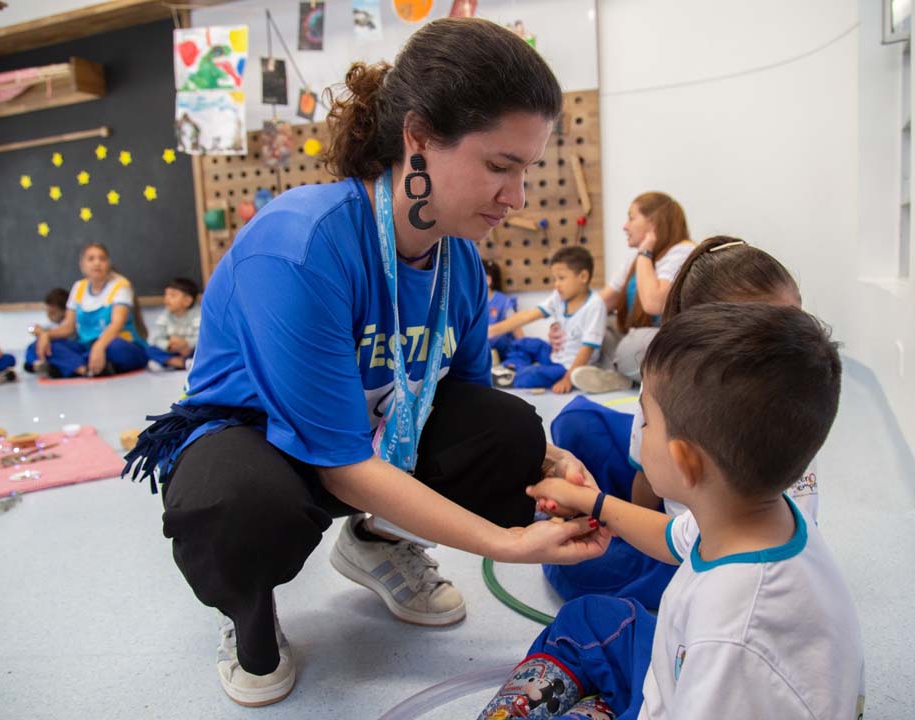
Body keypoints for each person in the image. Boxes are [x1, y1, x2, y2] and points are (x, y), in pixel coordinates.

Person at [122, 17, 609, 709]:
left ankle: (376, 541)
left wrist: (550, 459)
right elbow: (336, 462)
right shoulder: (301, 245)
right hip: (258, 445)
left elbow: (466, 412)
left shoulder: (460, 264)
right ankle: (248, 615)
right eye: (500, 166)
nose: (517, 197)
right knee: (237, 504)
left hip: (365, 439)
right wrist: (504, 545)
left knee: (511, 432)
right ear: (418, 138)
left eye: (526, 170)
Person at [479, 302, 865, 719]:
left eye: (645, 421)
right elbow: (670, 535)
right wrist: (591, 502)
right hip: (679, 670)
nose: (640, 430)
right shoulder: (753, 516)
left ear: (684, 461)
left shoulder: (729, 635)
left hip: (690, 695)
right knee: (587, 617)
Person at [544, 237, 815, 607]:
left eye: (793, 324)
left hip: (685, 542)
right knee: (577, 419)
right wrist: (599, 504)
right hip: (674, 506)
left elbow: (675, 534)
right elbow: (647, 475)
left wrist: (608, 514)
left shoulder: (769, 423)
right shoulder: (674, 380)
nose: (787, 347)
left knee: (575, 566)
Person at [568, 192, 694, 394]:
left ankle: (622, 373)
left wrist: (645, 253)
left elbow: (654, 303)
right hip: (640, 339)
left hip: (672, 341)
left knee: (634, 345)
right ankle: (626, 377)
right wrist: (566, 324)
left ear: (654, 223)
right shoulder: (635, 259)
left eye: (631, 218)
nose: (625, 226)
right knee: (602, 326)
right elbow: (599, 304)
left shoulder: (682, 251)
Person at [488, 246, 606, 393]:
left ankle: (514, 376)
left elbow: (587, 349)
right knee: (524, 343)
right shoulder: (559, 297)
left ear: (583, 277)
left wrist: (568, 379)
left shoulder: (595, 305)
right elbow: (528, 315)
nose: (556, 284)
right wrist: (493, 330)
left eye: (561, 278)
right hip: (554, 355)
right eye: (555, 279)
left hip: (569, 366)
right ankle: (512, 367)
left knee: (533, 374)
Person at [33, 243, 149, 378]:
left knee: (116, 348)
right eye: (91, 259)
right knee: (39, 345)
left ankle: (69, 366)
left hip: (116, 344)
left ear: (108, 264)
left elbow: (117, 324)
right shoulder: (79, 287)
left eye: (102, 259)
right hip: (87, 346)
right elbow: (68, 327)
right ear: (82, 265)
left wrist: (99, 346)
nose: (97, 263)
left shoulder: (121, 286)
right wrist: (47, 335)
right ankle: (85, 369)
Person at [146, 277, 201, 371]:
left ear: (187, 301)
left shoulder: (198, 315)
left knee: (205, 350)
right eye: (165, 295)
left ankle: (168, 363)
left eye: (172, 295)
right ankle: (182, 363)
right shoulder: (164, 316)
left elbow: (202, 337)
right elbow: (156, 338)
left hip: (190, 350)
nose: (166, 299)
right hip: (173, 350)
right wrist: (168, 345)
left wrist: (186, 344)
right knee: (150, 350)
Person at [484, 258, 522, 364]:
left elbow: (517, 329)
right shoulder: (472, 303)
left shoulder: (504, 302)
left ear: (488, 280)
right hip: (482, 355)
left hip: (505, 354)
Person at [24, 287, 70, 374]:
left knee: (55, 347)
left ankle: (43, 364)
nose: (49, 316)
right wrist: (38, 331)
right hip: (49, 351)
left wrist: (45, 335)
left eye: (52, 313)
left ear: (65, 311)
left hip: (63, 349)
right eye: (47, 312)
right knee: (34, 345)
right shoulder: (50, 324)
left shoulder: (69, 324)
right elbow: (30, 328)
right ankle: (36, 363)